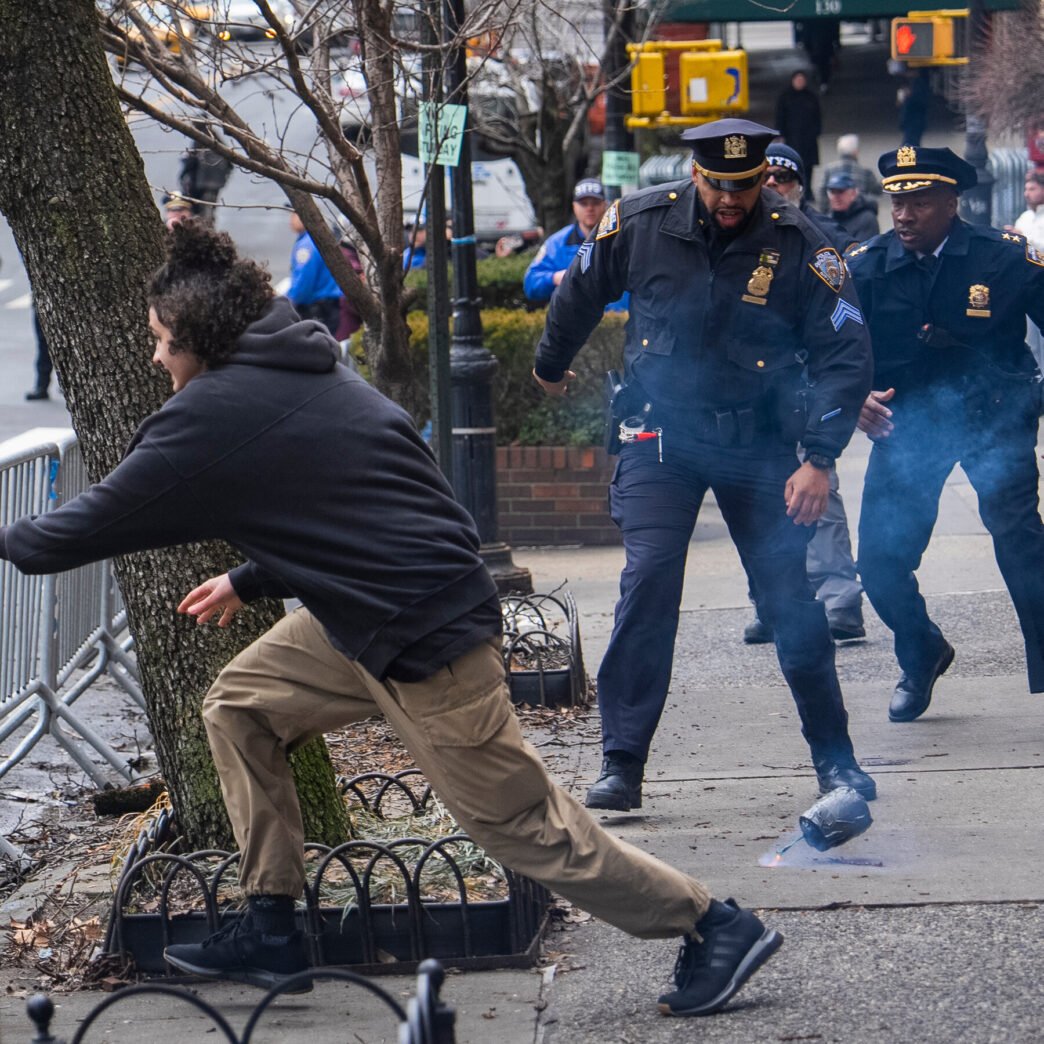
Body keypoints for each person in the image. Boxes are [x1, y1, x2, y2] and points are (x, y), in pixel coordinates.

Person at [0, 221, 783, 1017]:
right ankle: (271, 924)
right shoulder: (297, 359)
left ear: (201, 339)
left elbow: (72, 531)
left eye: (162, 341)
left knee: (521, 829)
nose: (156, 358)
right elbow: (345, 505)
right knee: (240, 703)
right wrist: (249, 576)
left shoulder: (216, 414)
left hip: (425, 642)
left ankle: (712, 925)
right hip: (364, 619)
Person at [532, 118, 876, 814]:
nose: (730, 198)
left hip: (760, 445)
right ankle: (621, 763)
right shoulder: (638, 222)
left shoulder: (802, 243)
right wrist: (550, 363)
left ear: (761, 180)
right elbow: (581, 287)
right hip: (662, 437)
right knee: (650, 577)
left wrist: (818, 457)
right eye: (718, 184)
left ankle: (836, 764)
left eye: (744, 186)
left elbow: (847, 352)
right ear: (696, 175)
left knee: (789, 599)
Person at [847, 146, 1044, 721]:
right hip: (908, 426)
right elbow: (829, 349)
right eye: (896, 201)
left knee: (1021, 542)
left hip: (994, 418)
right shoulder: (865, 266)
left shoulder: (1001, 258)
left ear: (951, 203)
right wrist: (851, 396)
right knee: (880, 563)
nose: (903, 215)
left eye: (919, 202)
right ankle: (921, 651)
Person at [740, 143, 866, 644]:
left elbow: (852, 325)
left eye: (782, 180)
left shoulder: (825, 240)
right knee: (754, 501)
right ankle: (771, 603)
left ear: (798, 185)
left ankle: (840, 601)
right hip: (753, 390)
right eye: (764, 178)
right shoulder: (735, 237)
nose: (773, 188)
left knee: (822, 498)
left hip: (810, 387)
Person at [524, 179, 628, 311]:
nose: (590, 208)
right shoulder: (557, 244)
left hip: (620, 324)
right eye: (584, 203)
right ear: (574, 206)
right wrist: (555, 278)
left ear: (605, 205)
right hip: (575, 327)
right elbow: (531, 284)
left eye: (595, 203)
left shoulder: (623, 239)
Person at [287, 209, 343, 337]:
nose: (291, 219)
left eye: (295, 213)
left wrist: (288, 304)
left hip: (316, 310)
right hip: (330, 307)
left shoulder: (307, 245)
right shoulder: (318, 238)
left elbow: (303, 283)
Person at [1009, 169, 1044, 369]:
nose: (1027, 193)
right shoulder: (1024, 217)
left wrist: (1024, 238)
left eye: (1032, 188)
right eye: (1025, 189)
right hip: (1028, 283)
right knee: (1031, 337)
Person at [774, 71, 821, 200]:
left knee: (808, 165)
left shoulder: (811, 97)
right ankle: (794, 189)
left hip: (809, 138)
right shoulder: (785, 97)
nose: (800, 82)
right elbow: (780, 117)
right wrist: (780, 134)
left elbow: (817, 116)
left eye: (802, 80)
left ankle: (808, 190)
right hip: (792, 138)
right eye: (797, 80)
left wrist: (816, 131)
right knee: (793, 165)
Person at [178, 123, 233, 226]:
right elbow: (230, 160)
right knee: (210, 208)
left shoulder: (199, 139)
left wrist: (183, 174)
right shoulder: (217, 141)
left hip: (201, 184)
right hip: (216, 184)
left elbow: (191, 161)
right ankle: (209, 228)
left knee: (201, 209)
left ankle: (203, 229)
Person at [818, 134, 881, 210]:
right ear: (856, 152)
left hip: (834, 212)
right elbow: (877, 191)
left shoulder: (829, 170)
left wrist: (824, 211)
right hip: (859, 212)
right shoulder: (865, 172)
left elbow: (822, 192)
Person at [825, 171, 880, 245]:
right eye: (832, 192)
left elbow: (863, 252)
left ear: (853, 194)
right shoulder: (827, 219)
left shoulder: (866, 218)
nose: (836, 197)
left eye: (840, 192)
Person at [25, 303, 53, 402]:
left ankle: (42, 385)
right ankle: (42, 385)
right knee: (44, 343)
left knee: (44, 344)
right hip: (41, 303)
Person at [897, 69, 931, 147]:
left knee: (910, 141)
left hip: (913, 119)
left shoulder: (917, 85)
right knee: (912, 141)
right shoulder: (915, 84)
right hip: (914, 119)